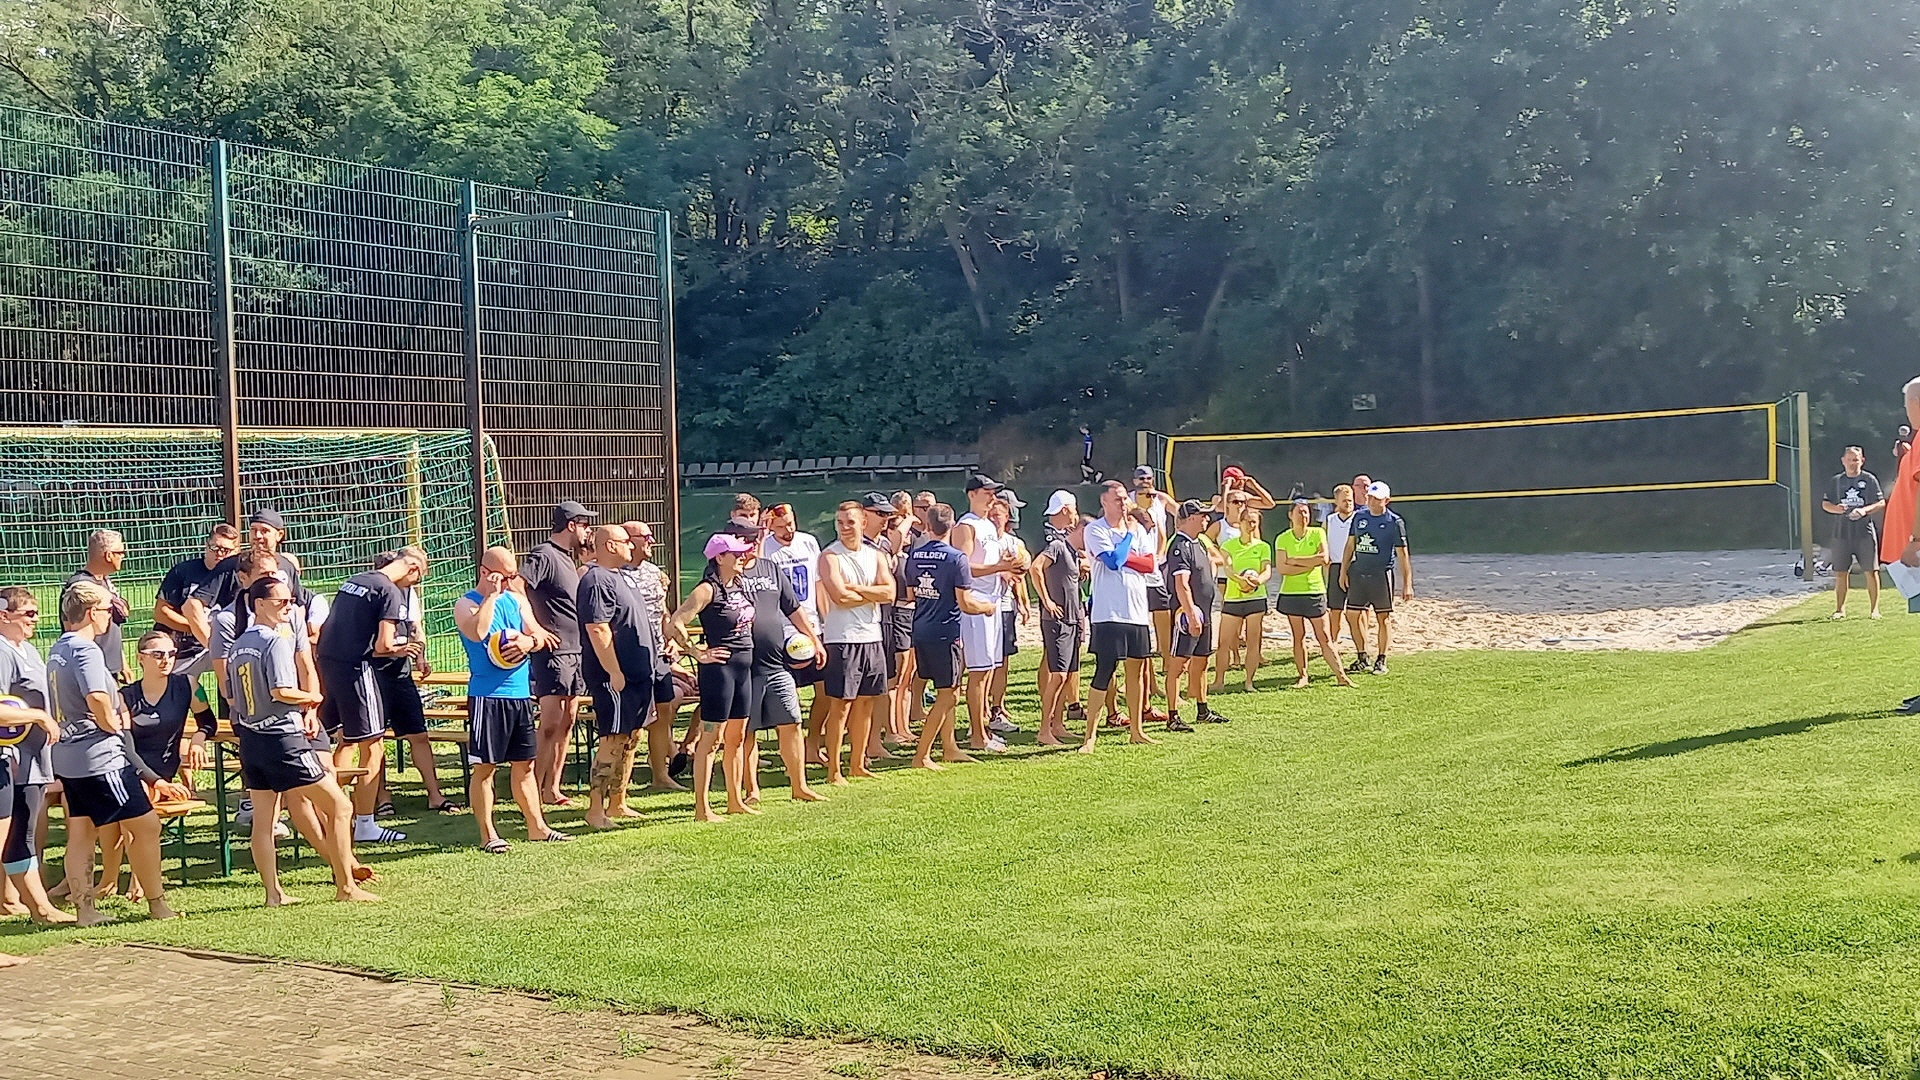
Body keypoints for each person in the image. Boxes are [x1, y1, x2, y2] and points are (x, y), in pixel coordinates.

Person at [229, 577, 379, 905]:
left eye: (291, 600)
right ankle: (346, 887)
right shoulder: (274, 641)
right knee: (340, 807)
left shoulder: (238, 645)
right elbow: (281, 690)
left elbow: (234, 696)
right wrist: (312, 698)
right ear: (259, 605)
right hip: (282, 739)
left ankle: (273, 894)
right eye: (281, 601)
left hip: (251, 739)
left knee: (264, 822)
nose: (290, 606)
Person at [49, 581, 176, 924]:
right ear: (92, 613)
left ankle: (85, 910)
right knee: (146, 825)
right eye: (109, 610)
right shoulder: (86, 650)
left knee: (81, 831)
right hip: (100, 757)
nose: (112, 617)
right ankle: (157, 904)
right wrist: (114, 725)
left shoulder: (59, 648)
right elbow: (97, 698)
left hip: (69, 757)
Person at [454, 547, 569, 851]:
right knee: (485, 768)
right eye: (503, 577)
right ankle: (488, 835)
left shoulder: (517, 600)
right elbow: (477, 633)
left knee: (525, 765)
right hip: (487, 696)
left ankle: (537, 827)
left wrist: (528, 641)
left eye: (512, 576)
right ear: (484, 572)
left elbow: (542, 636)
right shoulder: (466, 604)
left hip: (519, 695)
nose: (509, 583)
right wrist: (491, 597)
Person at [316, 546, 427, 844]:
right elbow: (383, 645)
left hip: (329, 665)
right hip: (357, 668)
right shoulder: (389, 590)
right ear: (412, 569)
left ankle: (324, 809)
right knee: (373, 745)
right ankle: (364, 823)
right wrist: (404, 648)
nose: (410, 587)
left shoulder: (356, 580)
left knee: (347, 740)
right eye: (415, 581)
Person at [666, 532, 759, 820]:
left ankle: (734, 800)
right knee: (712, 738)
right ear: (719, 557)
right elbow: (675, 622)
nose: (742, 557)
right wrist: (696, 652)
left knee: (737, 736)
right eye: (736, 553)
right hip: (719, 672)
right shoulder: (707, 589)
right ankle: (702, 808)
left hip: (743, 668)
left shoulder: (739, 584)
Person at [732, 525, 827, 803]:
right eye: (745, 540)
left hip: (776, 664)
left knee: (791, 722)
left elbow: (793, 608)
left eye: (755, 539)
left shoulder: (770, 568)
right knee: (747, 731)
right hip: (745, 667)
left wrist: (815, 640)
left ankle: (799, 787)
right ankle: (752, 790)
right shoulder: (725, 573)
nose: (751, 545)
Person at [576, 524, 656, 829]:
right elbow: (598, 628)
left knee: (632, 736)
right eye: (625, 542)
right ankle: (595, 809)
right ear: (610, 545)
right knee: (613, 737)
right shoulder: (596, 579)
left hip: (638, 674)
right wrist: (614, 671)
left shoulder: (622, 577)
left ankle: (618, 802)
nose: (631, 546)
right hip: (615, 678)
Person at [905, 504, 997, 768]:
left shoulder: (915, 555)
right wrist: (987, 607)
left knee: (943, 689)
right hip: (945, 632)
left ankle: (950, 747)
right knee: (949, 695)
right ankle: (922, 754)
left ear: (927, 526)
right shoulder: (957, 559)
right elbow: (966, 603)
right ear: (952, 526)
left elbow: (911, 594)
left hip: (921, 628)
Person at [0, 587, 68, 926]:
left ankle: (32, 905)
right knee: (12, 833)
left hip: (32, 760)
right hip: (10, 761)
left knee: (22, 833)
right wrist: (39, 717)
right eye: (28, 613)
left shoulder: (26, 649)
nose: (36, 619)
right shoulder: (2, 652)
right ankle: (34, 906)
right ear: (4, 615)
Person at [521, 501, 595, 806]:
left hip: (576, 650)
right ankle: (532, 790)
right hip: (554, 652)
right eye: (585, 525)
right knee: (550, 722)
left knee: (568, 720)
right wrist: (535, 629)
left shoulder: (567, 558)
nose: (588, 531)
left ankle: (552, 788)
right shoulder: (544, 554)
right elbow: (517, 588)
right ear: (571, 525)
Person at [371, 547, 453, 814]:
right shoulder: (374, 592)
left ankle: (435, 795)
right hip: (374, 673)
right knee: (375, 739)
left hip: (400, 672)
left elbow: (416, 628)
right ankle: (382, 798)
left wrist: (420, 656)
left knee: (418, 734)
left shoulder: (408, 593)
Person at [817, 502, 894, 783]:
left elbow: (890, 593)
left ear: (863, 522)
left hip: (871, 637)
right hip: (842, 639)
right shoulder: (830, 556)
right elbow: (839, 597)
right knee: (841, 706)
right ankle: (834, 770)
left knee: (866, 704)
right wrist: (871, 593)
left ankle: (857, 764)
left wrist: (857, 589)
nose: (844, 528)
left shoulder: (876, 556)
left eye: (850, 522)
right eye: (840, 522)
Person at [1083, 480, 1160, 748]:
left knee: (1136, 671)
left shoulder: (1139, 530)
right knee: (1105, 670)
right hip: (1109, 612)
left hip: (1136, 611)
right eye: (1117, 499)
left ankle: (1136, 730)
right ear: (1103, 501)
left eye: (1125, 498)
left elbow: (1150, 565)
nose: (1123, 503)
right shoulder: (1095, 529)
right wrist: (1127, 538)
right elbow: (1113, 562)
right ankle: (1090, 735)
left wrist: (1125, 553)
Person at [952, 475, 1026, 751]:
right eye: (987, 492)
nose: (992, 497)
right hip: (975, 603)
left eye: (994, 492)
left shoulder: (987, 526)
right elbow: (963, 568)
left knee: (989, 669)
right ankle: (977, 735)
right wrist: (999, 568)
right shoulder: (967, 526)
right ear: (971, 494)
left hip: (993, 602)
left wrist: (1008, 568)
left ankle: (983, 727)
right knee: (979, 671)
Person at [620, 520, 688, 795]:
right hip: (629, 658)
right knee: (633, 723)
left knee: (663, 713)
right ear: (628, 540)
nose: (651, 541)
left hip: (658, 656)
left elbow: (663, 612)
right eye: (645, 537)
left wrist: (670, 640)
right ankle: (619, 785)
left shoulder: (654, 573)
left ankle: (661, 775)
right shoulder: (611, 573)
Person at [1273, 499, 1355, 688]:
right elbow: (1283, 569)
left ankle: (1341, 676)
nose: (1303, 516)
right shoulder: (1283, 538)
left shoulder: (1318, 533)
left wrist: (1295, 560)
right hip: (1291, 592)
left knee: (1324, 637)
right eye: (1300, 512)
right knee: (1298, 636)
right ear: (1290, 515)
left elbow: (1324, 559)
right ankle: (1303, 676)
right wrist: (1309, 563)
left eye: (1306, 512)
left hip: (1314, 591)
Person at [121, 630, 215, 788]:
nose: (166, 660)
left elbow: (209, 722)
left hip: (163, 775)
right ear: (140, 658)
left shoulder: (188, 685)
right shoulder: (125, 696)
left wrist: (199, 737)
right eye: (157, 655)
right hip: (133, 773)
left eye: (171, 654)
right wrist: (156, 782)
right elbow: (126, 749)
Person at [1030, 491, 1088, 746]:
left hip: (1072, 617)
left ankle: (1057, 724)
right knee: (1058, 674)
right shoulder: (1055, 543)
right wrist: (1047, 601)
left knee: (1068, 672)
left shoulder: (1069, 548)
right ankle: (1045, 729)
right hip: (1059, 618)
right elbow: (1035, 568)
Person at [1341, 481, 1413, 675]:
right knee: (1352, 614)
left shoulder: (1394, 522)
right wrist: (1343, 571)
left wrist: (1407, 584)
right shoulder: (1359, 517)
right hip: (1359, 572)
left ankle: (1381, 659)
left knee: (1383, 617)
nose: (1372, 501)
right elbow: (1350, 545)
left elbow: (1402, 554)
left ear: (1386, 500)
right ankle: (1362, 656)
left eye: (1377, 498)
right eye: (1370, 497)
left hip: (1381, 574)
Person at [153, 524, 241, 679]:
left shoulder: (238, 577)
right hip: (183, 648)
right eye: (215, 548)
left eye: (226, 550)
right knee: (176, 689)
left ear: (236, 552)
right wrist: (196, 627)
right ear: (206, 546)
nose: (219, 554)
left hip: (220, 644)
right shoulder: (184, 571)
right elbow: (161, 613)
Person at [1163, 500, 1223, 729]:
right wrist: (1190, 613)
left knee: (1202, 660)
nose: (1206, 519)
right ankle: (1173, 715)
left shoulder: (1199, 543)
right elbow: (1181, 584)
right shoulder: (1179, 546)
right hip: (1188, 614)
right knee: (1179, 664)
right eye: (1202, 515)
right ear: (1190, 518)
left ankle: (1202, 709)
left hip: (1204, 611)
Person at [1131, 465, 1178, 719]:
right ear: (1134, 481)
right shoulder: (1128, 503)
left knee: (1164, 625)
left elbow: (1164, 529)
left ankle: (1168, 679)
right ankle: (1151, 685)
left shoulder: (1160, 499)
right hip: (1138, 574)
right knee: (1143, 633)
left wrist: (1160, 557)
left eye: (1149, 478)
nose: (1145, 481)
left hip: (1156, 570)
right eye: (1141, 478)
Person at [987, 491, 1032, 735]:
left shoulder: (1013, 542)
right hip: (983, 606)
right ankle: (984, 708)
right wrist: (1000, 570)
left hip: (1004, 607)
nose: (995, 519)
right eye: (992, 515)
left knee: (1003, 660)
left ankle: (997, 705)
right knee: (983, 661)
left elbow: (1020, 573)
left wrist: (1023, 603)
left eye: (1000, 515)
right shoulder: (982, 541)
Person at [1822, 446, 1885, 619]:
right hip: (1841, 532)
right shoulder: (1836, 481)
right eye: (1849, 459)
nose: (1852, 463)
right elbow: (1825, 504)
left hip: (1864, 532)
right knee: (1841, 572)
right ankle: (1840, 610)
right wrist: (1837, 509)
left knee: (1871, 571)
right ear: (1843, 461)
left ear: (1862, 461)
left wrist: (1864, 510)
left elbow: (1881, 502)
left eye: (1855, 459)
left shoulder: (1869, 479)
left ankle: (1874, 610)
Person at [1213, 509, 1272, 693]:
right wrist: (1241, 581)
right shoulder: (1228, 545)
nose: (1250, 525)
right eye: (1247, 521)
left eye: (1254, 522)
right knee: (1223, 642)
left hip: (1256, 597)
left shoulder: (1263, 546)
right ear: (1240, 522)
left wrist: (1256, 582)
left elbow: (1267, 571)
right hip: (1233, 598)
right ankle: (1219, 681)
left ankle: (1249, 682)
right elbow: (1228, 569)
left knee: (1253, 642)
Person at [64, 529, 131, 682]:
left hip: (109, 667)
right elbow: (71, 628)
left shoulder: (104, 581)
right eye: (120, 552)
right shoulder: (81, 586)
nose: (123, 556)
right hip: (91, 666)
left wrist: (122, 663)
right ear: (109, 555)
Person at [1322, 484, 1358, 646]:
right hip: (1335, 566)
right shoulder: (1330, 521)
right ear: (1336, 501)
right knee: (1335, 608)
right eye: (1344, 500)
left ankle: (1361, 641)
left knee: (1359, 608)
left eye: (1350, 500)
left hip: (1356, 565)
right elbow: (1323, 543)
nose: (1348, 503)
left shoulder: (1359, 518)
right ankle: (1333, 641)